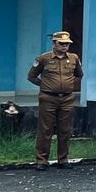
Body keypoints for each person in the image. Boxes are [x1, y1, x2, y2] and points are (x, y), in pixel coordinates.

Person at [28, 31, 83, 170]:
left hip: (67, 98)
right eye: (62, 43)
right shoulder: (44, 58)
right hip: (48, 98)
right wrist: (46, 85)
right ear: (54, 43)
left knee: (65, 130)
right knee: (45, 129)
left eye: (67, 44)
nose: (65, 46)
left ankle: (63, 159)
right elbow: (31, 76)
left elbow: (79, 75)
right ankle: (41, 160)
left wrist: (69, 85)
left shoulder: (74, 58)